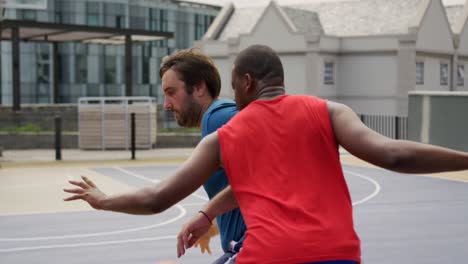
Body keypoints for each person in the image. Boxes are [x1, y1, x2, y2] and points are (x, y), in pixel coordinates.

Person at [65, 44, 468, 263]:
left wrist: (103, 201)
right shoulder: (329, 112)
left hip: (267, 256)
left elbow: (156, 198)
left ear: (246, 82)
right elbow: (393, 155)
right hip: (338, 257)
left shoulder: (226, 131)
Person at [64, 49, 246, 263]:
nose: (166, 105)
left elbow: (156, 199)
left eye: (171, 92)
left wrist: (104, 200)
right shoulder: (219, 118)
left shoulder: (218, 117)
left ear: (199, 87)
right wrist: (212, 222)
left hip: (250, 247)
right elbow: (250, 184)